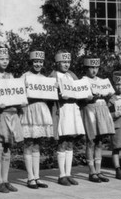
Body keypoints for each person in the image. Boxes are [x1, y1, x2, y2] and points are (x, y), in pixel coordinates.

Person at [49, 51, 86, 186]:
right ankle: (61, 175)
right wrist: (58, 94)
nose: (66, 64)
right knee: (62, 142)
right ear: (57, 63)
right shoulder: (53, 76)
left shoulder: (72, 76)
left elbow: (80, 90)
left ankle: (68, 173)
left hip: (73, 109)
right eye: (63, 62)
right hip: (62, 110)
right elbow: (48, 94)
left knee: (70, 142)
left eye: (68, 62)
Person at [0, 46, 24, 193]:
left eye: (6, 59)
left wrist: (21, 103)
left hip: (12, 113)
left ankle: (5, 179)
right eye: (1, 59)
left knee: (8, 147)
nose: (4, 61)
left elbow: (16, 94)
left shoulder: (11, 76)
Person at [20, 50, 53, 189]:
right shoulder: (25, 77)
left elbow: (50, 94)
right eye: (35, 61)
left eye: (40, 62)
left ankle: (37, 176)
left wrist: (54, 88)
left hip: (40, 109)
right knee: (28, 142)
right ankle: (30, 177)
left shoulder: (45, 79)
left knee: (37, 143)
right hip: (29, 109)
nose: (38, 64)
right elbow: (19, 93)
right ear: (31, 62)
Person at [80, 57, 115, 183]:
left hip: (102, 109)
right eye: (91, 67)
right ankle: (91, 171)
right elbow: (82, 97)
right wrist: (90, 98)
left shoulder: (102, 81)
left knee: (100, 142)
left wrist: (108, 94)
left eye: (96, 67)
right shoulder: (83, 80)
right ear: (86, 68)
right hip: (90, 110)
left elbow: (110, 93)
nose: (94, 70)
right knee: (91, 141)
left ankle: (98, 170)